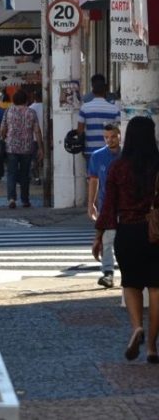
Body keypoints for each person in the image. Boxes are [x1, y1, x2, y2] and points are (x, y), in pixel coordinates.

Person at [92, 116, 159, 363]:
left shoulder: (118, 167)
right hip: (156, 232)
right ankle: (152, 347)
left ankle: (136, 328)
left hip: (128, 231)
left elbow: (108, 206)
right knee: (156, 287)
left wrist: (99, 235)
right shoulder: (157, 164)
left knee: (131, 283)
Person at [88, 123, 121, 289]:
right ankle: (108, 272)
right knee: (107, 240)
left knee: (122, 240)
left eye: (113, 136)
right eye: (106, 137)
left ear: (119, 136)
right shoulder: (97, 156)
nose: (110, 140)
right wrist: (91, 204)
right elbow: (94, 180)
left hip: (126, 205)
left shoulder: (127, 155)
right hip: (106, 205)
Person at [0, 90, 42, 208]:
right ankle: (25, 199)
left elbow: (2, 129)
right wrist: (41, 148)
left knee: (11, 173)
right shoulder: (31, 112)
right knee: (25, 174)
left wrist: (3, 138)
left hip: (11, 147)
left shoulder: (8, 111)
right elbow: (37, 131)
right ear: (26, 100)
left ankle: (11, 199)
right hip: (27, 147)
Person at [78, 75, 121, 158]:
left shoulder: (84, 107)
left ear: (92, 89)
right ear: (105, 89)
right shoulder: (114, 109)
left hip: (90, 151)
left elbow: (80, 131)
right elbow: (118, 131)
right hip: (109, 150)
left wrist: (83, 148)